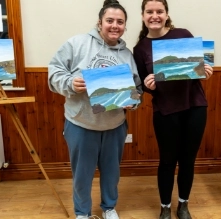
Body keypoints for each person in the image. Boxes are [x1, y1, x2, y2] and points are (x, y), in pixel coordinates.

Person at [48, 1, 142, 219]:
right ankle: (82, 213)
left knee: (112, 173)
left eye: (120, 22)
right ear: (99, 22)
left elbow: (137, 88)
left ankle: (109, 208)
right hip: (81, 124)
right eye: (110, 20)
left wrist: (133, 101)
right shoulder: (77, 43)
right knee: (82, 175)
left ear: (125, 26)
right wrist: (71, 83)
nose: (114, 25)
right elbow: (54, 72)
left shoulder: (127, 54)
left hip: (115, 126)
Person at [133, 1, 213, 219]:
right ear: (143, 16)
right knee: (167, 161)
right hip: (166, 110)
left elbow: (199, 68)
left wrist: (206, 70)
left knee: (188, 160)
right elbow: (141, 84)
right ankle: (165, 207)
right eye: (150, 12)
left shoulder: (183, 34)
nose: (155, 16)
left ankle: (183, 205)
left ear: (167, 14)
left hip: (195, 106)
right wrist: (148, 86)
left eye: (159, 11)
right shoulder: (140, 48)